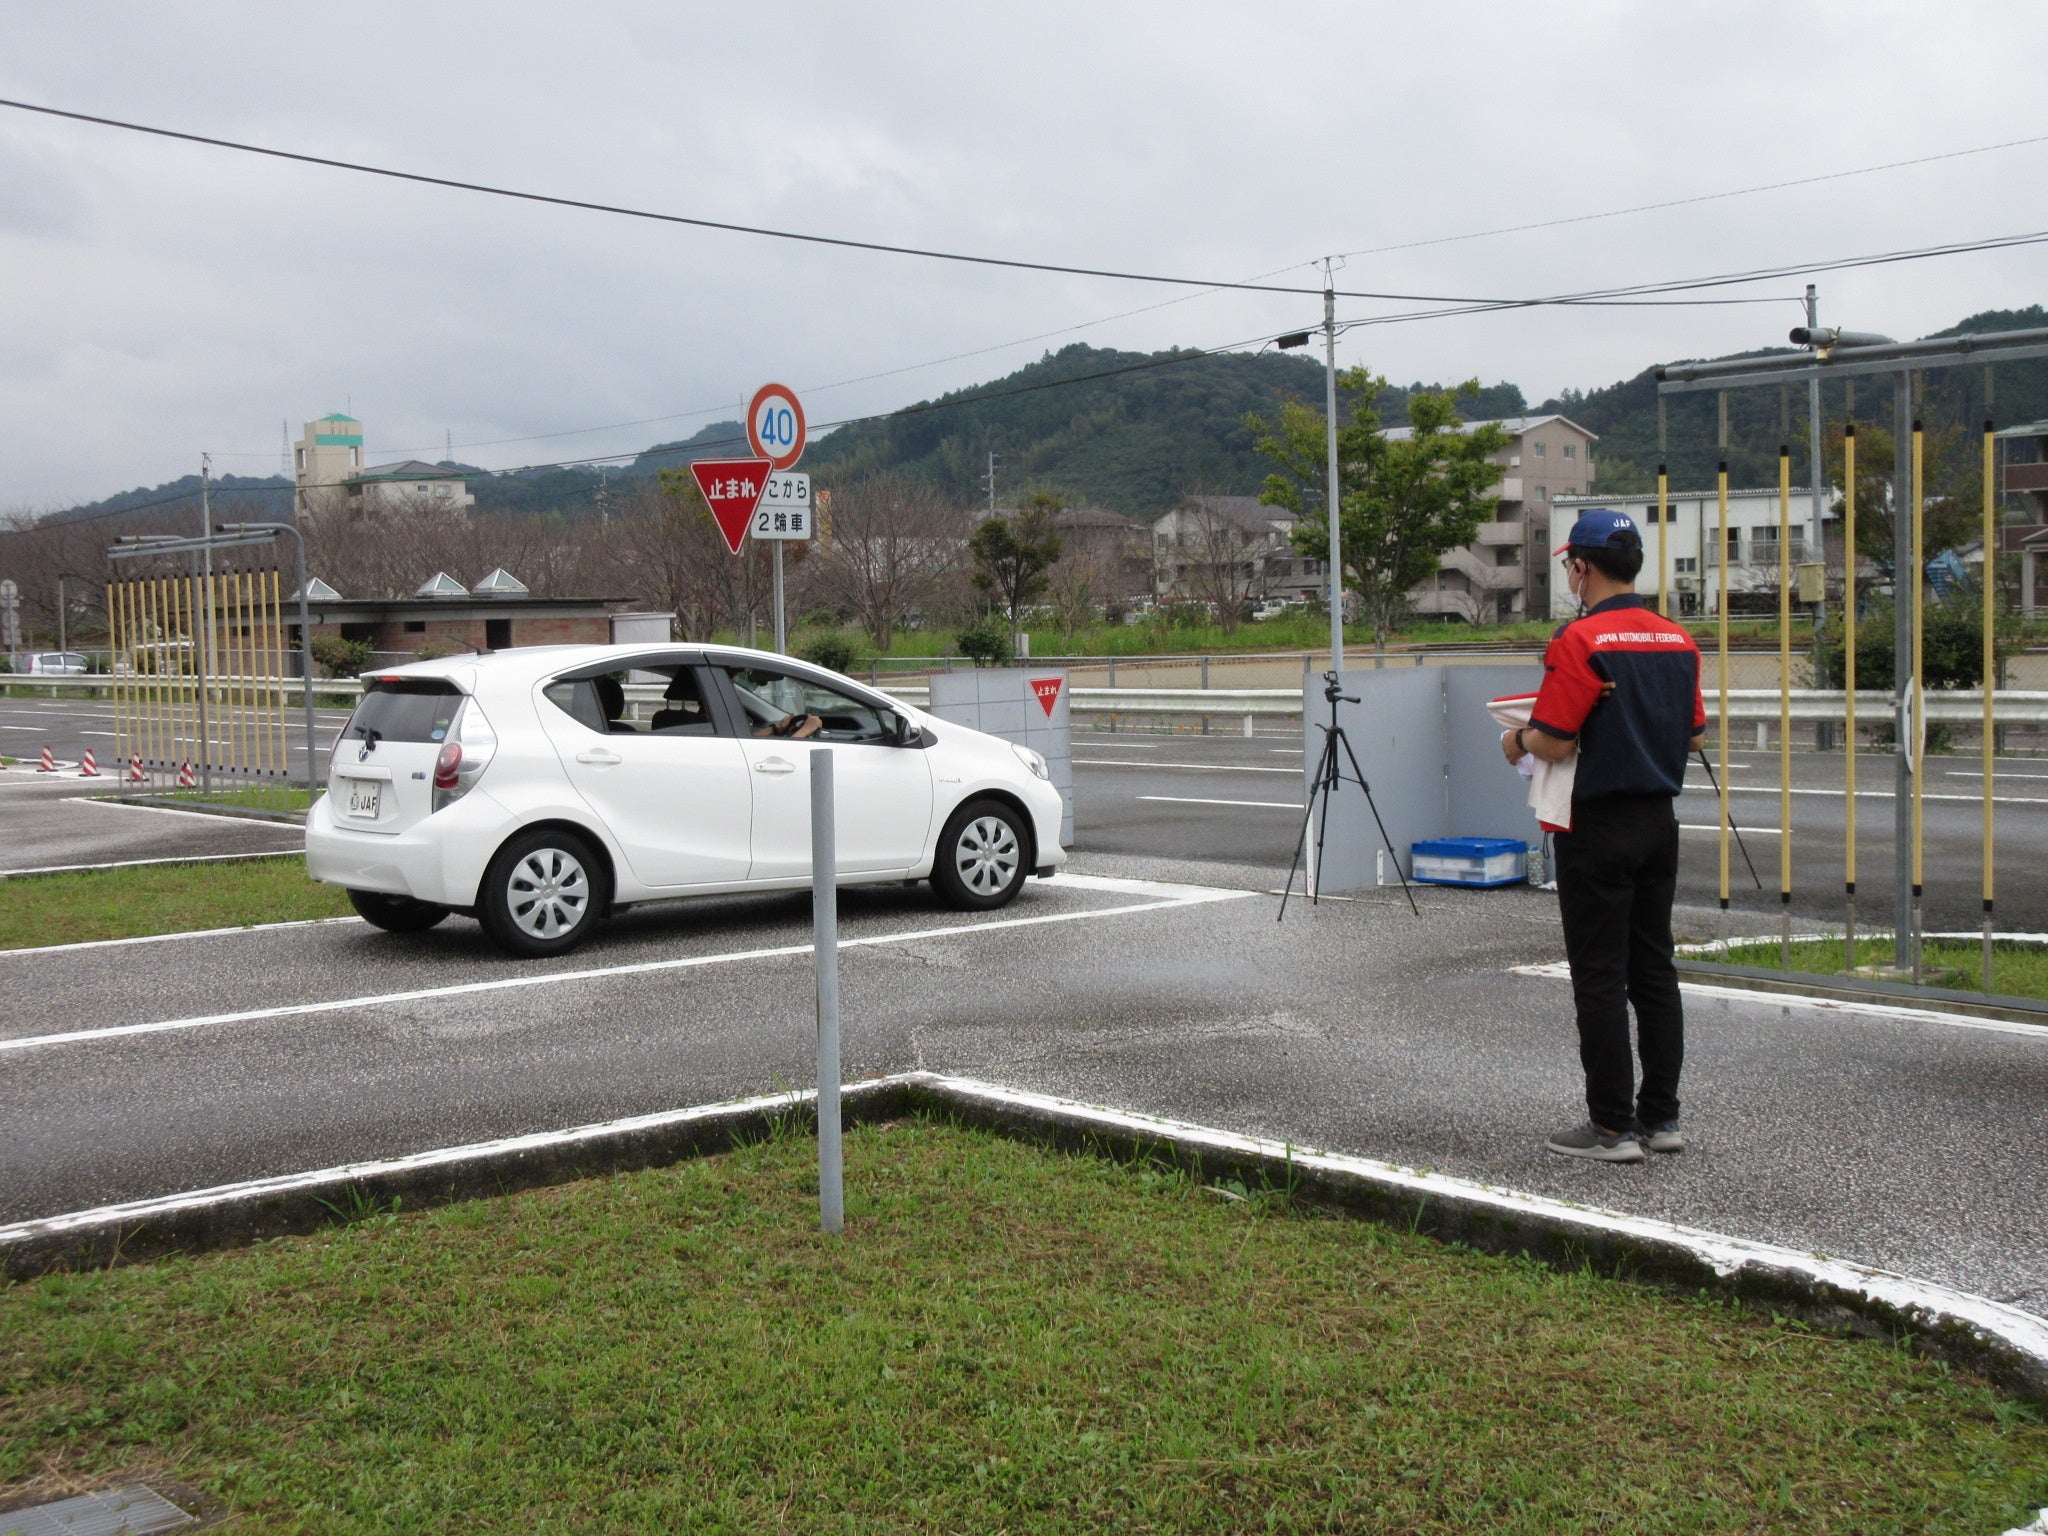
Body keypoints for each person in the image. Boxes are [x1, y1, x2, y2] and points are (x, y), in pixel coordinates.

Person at [1503, 509, 1705, 1164]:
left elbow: (1555, 738)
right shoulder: (1678, 639)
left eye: (1569, 565)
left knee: (1599, 975)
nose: (1569, 574)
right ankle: (1662, 1119)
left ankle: (1612, 1127)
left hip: (1596, 825)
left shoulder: (1579, 640)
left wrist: (1515, 740)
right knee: (1654, 971)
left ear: (1582, 567)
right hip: (1658, 821)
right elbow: (1695, 733)